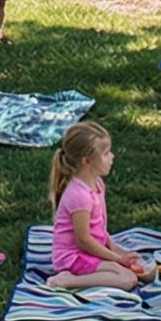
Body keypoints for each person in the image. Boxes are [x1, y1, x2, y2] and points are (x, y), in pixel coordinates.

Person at [46, 122, 147, 290]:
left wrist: (116, 250)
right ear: (87, 161)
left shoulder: (97, 183)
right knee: (127, 279)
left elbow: (98, 227)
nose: (112, 157)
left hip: (88, 252)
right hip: (72, 258)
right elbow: (83, 240)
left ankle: (104, 267)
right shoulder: (79, 196)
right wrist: (115, 259)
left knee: (142, 270)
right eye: (106, 153)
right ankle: (67, 280)